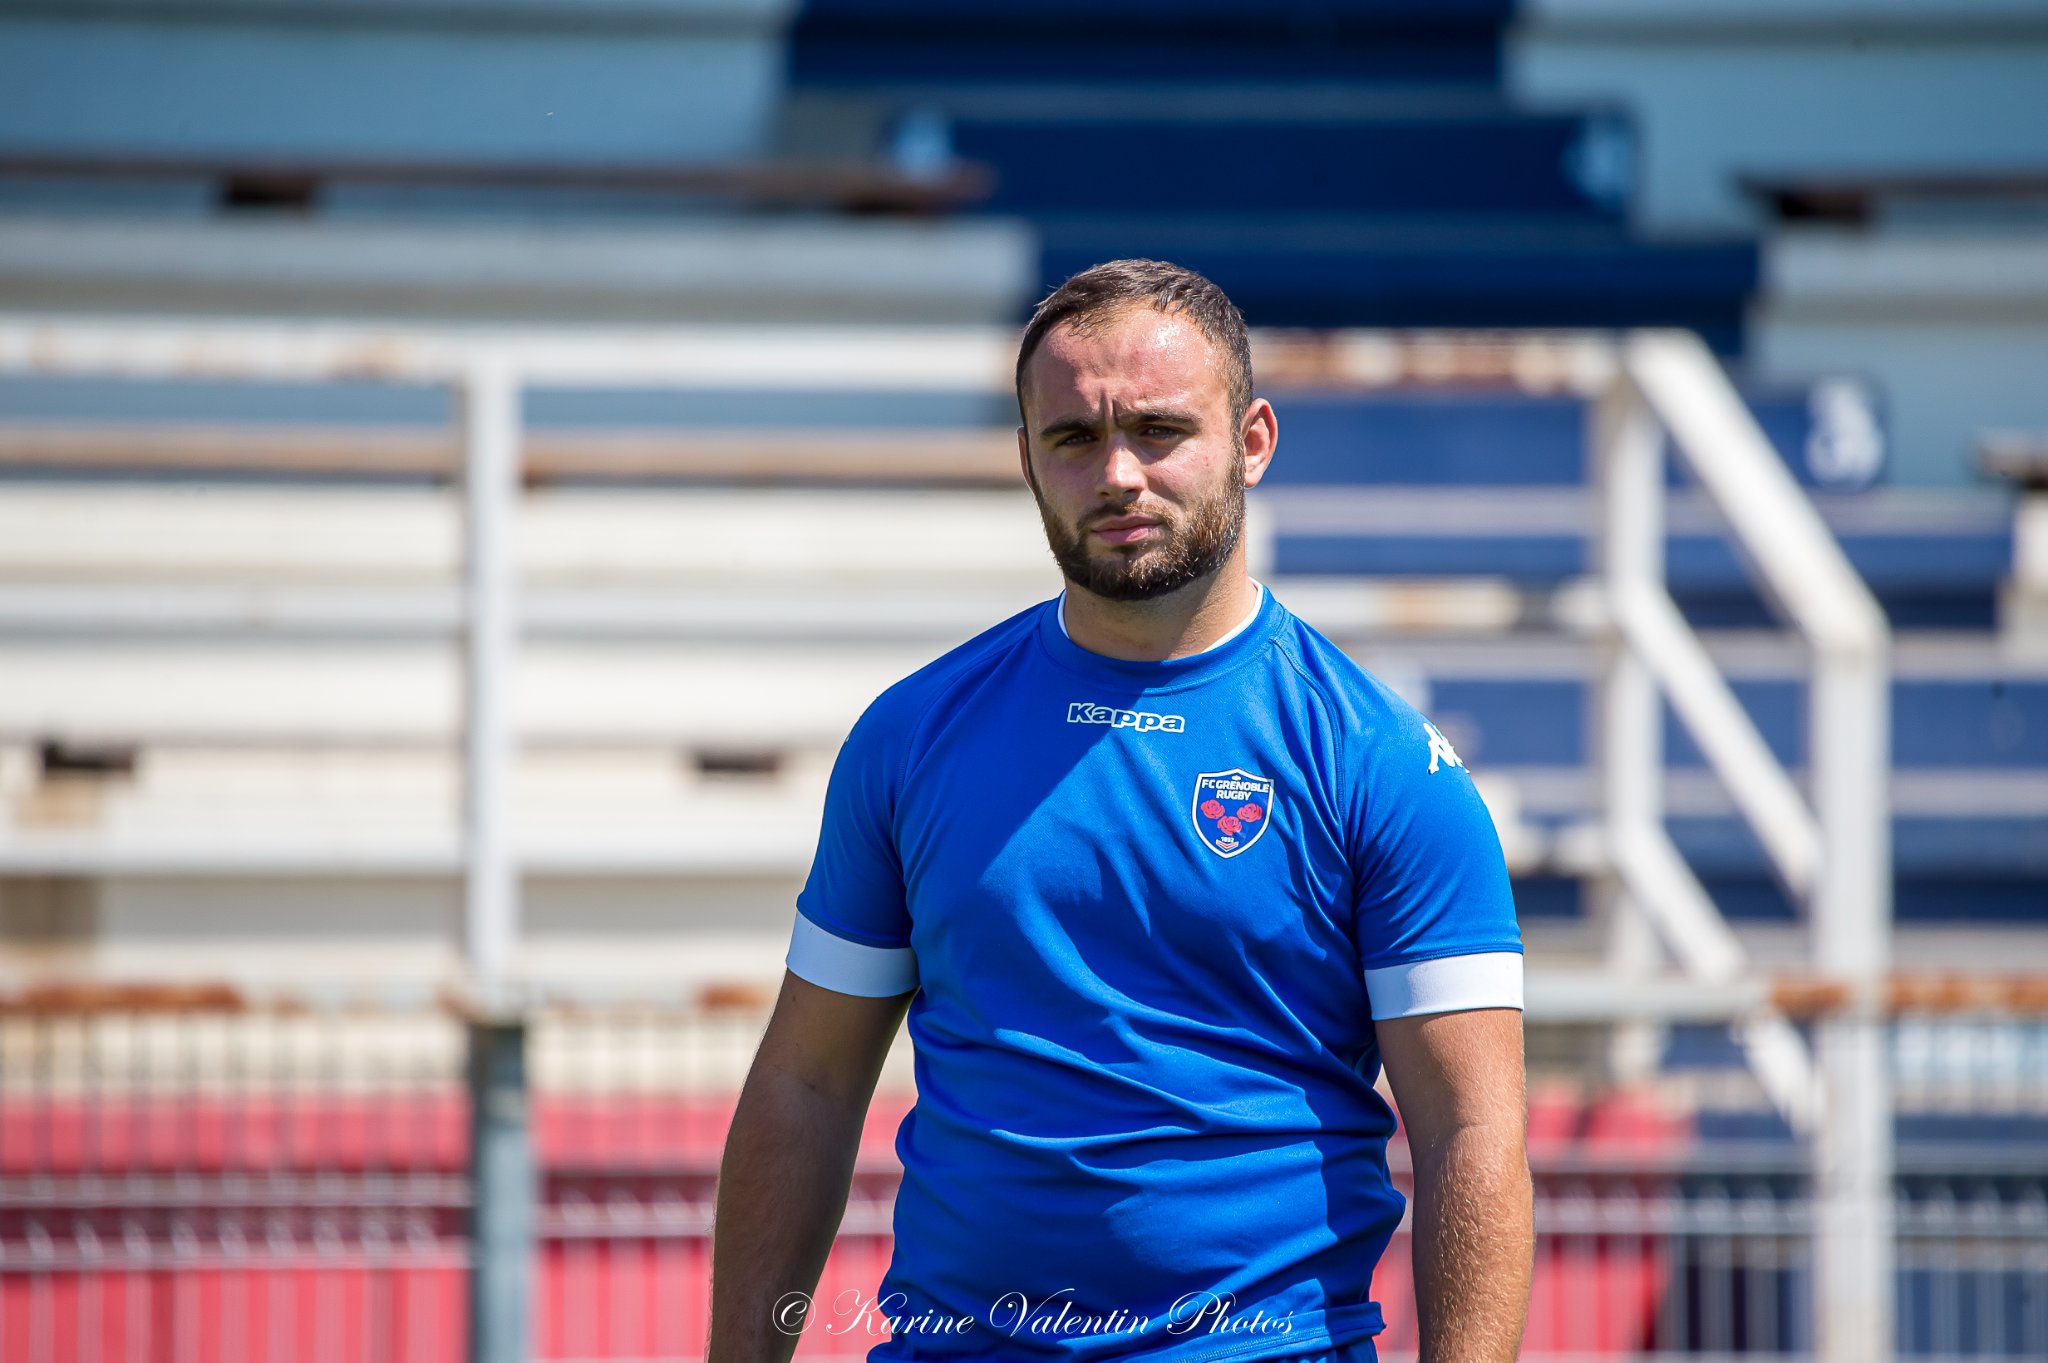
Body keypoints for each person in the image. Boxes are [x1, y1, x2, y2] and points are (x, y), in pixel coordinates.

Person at [708, 259, 1532, 1363]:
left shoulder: (1376, 762)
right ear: (1024, 458)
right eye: (1073, 438)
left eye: (1158, 429)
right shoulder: (908, 738)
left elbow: (1472, 1132)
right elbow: (804, 1085)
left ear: (1251, 441)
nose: (1119, 474)